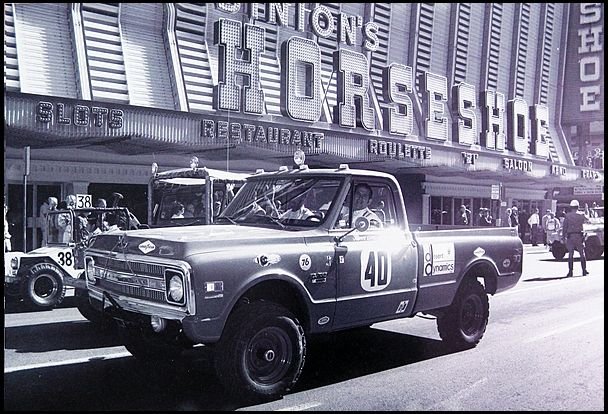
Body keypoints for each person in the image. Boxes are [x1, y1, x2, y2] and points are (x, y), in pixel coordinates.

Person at [561, 199, 589, 277]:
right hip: (579, 236)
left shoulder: (567, 216)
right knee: (582, 253)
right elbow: (588, 219)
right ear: (578, 207)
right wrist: (586, 210)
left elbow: (564, 228)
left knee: (570, 254)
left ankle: (570, 271)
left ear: (571, 207)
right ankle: (584, 270)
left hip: (570, 236)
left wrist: (563, 238)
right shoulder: (581, 215)